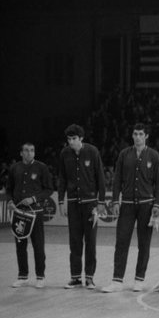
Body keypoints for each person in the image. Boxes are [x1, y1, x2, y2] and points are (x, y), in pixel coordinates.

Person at [102, 123, 159, 293]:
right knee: (121, 242)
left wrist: (157, 204)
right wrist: (115, 201)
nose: (137, 136)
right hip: (127, 205)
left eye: (141, 134)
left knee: (144, 245)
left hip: (147, 205)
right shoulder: (124, 154)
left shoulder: (154, 156)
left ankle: (139, 280)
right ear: (132, 135)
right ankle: (117, 281)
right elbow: (117, 180)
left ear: (146, 136)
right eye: (135, 133)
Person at [58, 124, 107, 289]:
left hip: (91, 205)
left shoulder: (92, 152)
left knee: (91, 241)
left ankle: (90, 278)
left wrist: (101, 202)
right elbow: (62, 179)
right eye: (69, 139)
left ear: (81, 139)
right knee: (74, 241)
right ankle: (76, 277)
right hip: (72, 204)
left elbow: (100, 177)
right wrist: (60, 201)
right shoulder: (64, 153)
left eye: (74, 139)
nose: (71, 142)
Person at [7, 142, 54, 288]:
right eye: (26, 150)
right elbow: (9, 189)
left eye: (32, 150)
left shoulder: (41, 167)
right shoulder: (14, 168)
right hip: (19, 212)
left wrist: (34, 199)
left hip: (36, 213)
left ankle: (40, 276)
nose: (29, 153)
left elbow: (49, 189)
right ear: (21, 153)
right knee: (20, 245)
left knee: (38, 245)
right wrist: (9, 201)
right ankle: (23, 276)